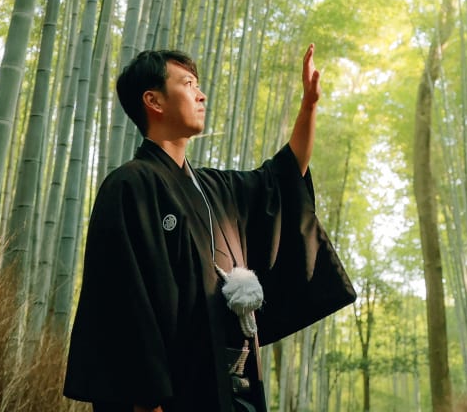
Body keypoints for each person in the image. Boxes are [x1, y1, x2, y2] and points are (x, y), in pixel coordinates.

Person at [63, 44, 355, 412]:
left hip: (236, 383)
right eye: (188, 84)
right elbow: (123, 301)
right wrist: (144, 399)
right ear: (154, 101)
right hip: (173, 392)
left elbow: (281, 179)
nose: (201, 94)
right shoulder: (130, 186)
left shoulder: (217, 188)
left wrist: (309, 107)